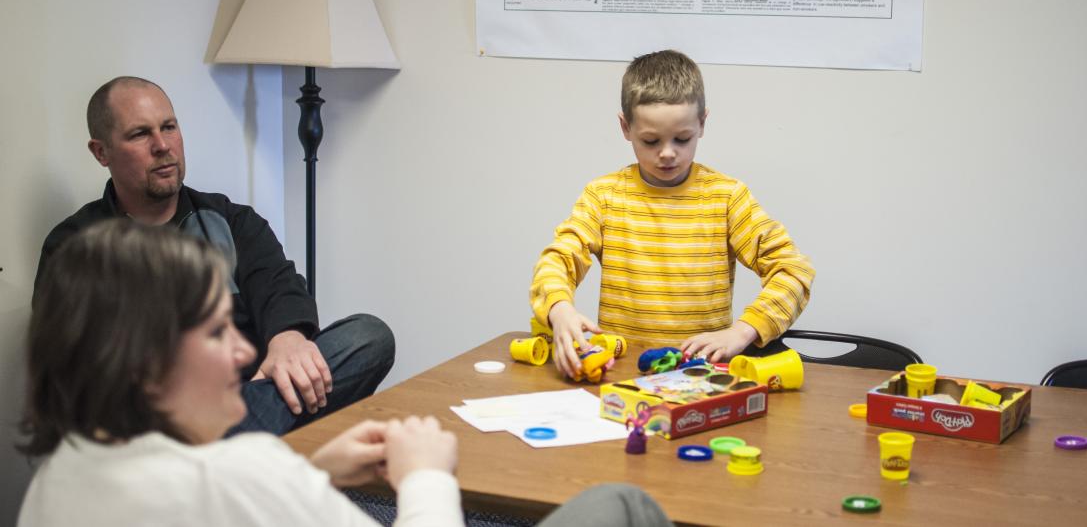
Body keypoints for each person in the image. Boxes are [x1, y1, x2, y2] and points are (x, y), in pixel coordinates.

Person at [18, 220, 674, 527]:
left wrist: (311, 473)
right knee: (620, 504)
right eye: (218, 333)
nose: (244, 354)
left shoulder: (58, 477)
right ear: (141, 363)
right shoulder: (239, 473)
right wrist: (422, 477)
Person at [33, 76, 394, 435]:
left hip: (250, 392)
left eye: (169, 127)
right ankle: (245, 447)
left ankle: (239, 445)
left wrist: (287, 339)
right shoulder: (75, 247)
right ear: (101, 152)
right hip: (154, 425)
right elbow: (76, 373)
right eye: (140, 134)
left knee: (367, 337)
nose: (162, 145)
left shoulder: (232, 220)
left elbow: (280, 286)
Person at [530, 50, 816, 378]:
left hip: (703, 376)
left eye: (682, 138)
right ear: (625, 127)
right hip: (623, 373)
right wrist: (559, 309)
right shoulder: (604, 196)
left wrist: (742, 332)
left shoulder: (726, 198)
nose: (667, 153)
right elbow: (557, 260)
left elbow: (794, 270)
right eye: (650, 141)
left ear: (702, 123)